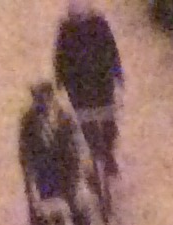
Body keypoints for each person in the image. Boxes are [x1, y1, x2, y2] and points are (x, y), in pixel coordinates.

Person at [18, 81, 99, 225]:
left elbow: (79, 142)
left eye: (44, 97)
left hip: (69, 177)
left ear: (51, 97)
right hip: (47, 182)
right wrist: (30, 187)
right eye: (38, 99)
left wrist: (85, 165)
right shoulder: (28, 123)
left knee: (82, 218)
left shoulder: (65, 117)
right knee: (46, 224)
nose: (42, 102)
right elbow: (25, 155)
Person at [52, 1, 124, 179]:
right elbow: (60, 57)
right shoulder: (66, 30)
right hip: (79, 85)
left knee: (108, 121)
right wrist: (60, 80)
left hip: (101, 81)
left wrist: (117, 73)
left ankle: (107, 154)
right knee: (88, 122)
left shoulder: (99, 24)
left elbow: (111, 49)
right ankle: (97, 154)